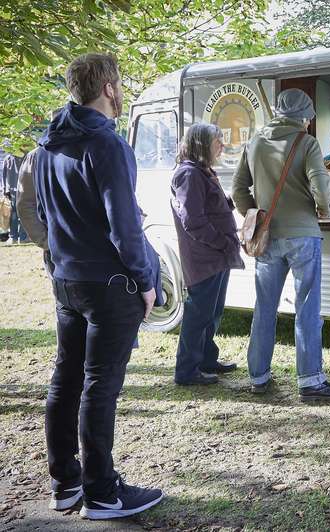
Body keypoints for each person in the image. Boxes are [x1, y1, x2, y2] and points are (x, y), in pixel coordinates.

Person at [35, 53, 164, 520]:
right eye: (120, 82)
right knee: (98, 386)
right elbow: (124, 223)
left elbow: (44, 214)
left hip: (67, 279)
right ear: (109, 87)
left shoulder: (48, 142)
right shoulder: (106, 144)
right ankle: (103, 493)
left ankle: (65, 483)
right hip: (108, 283)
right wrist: (146, 281)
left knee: (66, 379)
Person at [232, 88, 330, 402]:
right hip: (302, 235)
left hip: (267, 236)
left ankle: (258, 376)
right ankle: (310, 381)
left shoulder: (255, 141)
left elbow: (237, 188)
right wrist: (324, 209)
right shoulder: (307, 143)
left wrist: (253, 215)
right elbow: (321, 188)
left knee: (265, 308)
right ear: (306, 118)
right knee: (307, 309)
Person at [170, 123, 244, 385]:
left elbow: (210, 207)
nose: (222, 145)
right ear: (202, 144)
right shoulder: (188, 174)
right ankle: (187, 372)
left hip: (217, 256)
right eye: (217, 141)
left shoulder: (202, 171)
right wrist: (222, 242)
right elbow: (193, 221)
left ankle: (206, 360)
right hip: (205, 258)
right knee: (198, 314)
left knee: (212, 313)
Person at [17, 109, 63, 271]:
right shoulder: (36, 156)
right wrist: (46, 242)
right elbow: (26, 204)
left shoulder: (86, 150)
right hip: (57, 246)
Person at [2, 152, 28, 243]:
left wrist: (5, 190)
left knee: (17, 214)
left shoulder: (8, 158)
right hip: (19, 190)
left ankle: (17, 237)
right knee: (17, 214)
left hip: (17, 190)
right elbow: (4, 175)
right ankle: (19, 237)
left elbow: (3, 176)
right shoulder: (25, 156)